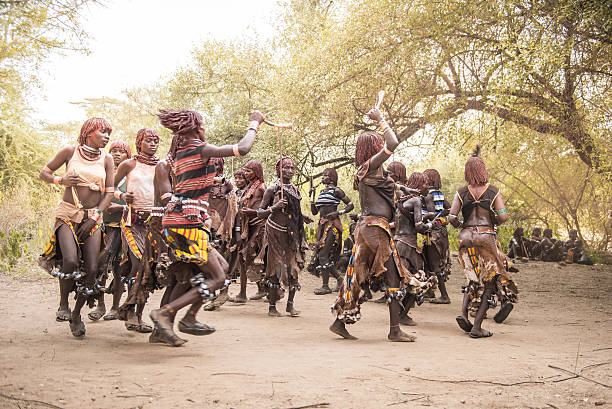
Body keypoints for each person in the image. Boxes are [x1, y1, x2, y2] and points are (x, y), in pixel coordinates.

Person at [148, 109, 264, 346]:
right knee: (218, 276)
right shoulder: (199, 149)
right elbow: (243, 149)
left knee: (219, 269)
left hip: (185, 221)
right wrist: (255, 122)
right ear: (196, 127)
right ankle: (166, 313)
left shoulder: (181, 152)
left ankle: (189, 317)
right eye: (202, 124)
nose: (204, 127)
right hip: (186, 223)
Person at [329, 107, 429, 342]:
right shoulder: (372, 165)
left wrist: (405, 188)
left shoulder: (368, 171)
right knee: (394, 277)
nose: (381, 147)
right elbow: (393, 141)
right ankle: (394, 330)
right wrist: (381, 120)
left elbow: (387, 187)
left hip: (367, 229)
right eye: (377, 144)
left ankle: (338, 322)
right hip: (376, 230)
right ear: (373, 149)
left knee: (359, 275)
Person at [38, 118, 114, 338]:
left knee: (92, 269)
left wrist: (95, 216)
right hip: (68, 215)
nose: (106, 136)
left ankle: (77, 313)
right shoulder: (70, 152)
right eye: (103, 132)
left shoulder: (107, 159)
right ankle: (63, 303)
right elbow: (44, 173)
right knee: (70, 260)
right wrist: (61, 181)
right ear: (89, 132)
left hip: (92, 219)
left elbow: (109, 192)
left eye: (109, 133)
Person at [449, 153, 517, 338]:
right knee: (489, 282)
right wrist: (492, 219)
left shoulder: (461, 193)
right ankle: (477, 327)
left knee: (472, 278)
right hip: (485, 238)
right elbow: (503, 216)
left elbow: (452, 217)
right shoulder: (493, 191)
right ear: (483, 170)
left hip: (465, 239)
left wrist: (462, 226)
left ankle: (463, 314)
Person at [114, 128, 160, 333]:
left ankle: (137, 313)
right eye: (149, 140)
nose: (153, 144)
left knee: (149, 268)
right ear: (139, 142)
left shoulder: (162, 166)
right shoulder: (128, 164)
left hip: (154, 224)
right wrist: (122, 197)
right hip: (132, 222)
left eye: (156, 141)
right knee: (140, 262)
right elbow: (109, 187)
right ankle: (130, 312)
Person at [255, 156, 313, 317]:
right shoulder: (272, 189)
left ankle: (290, 306)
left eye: (292, 168)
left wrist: (303, 216)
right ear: (278, 170)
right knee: (276, 267)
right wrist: (274, 207)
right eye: (286, 167)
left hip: (291, 234)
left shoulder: (294, 190)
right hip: (275, 232)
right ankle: (272, 307)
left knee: (292, 267)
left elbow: (294, 212)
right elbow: (260, 213)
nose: (289, 171)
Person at [91, 140, 131, 321]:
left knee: (119, 269)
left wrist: (121, 208)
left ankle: (115, 307)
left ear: (128, 156)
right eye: (114, 151)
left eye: (122, 151)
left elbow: (139, 201)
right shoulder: (104, 173)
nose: (117, 154)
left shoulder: (131, 176)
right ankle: (100, 305)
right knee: (100, 266)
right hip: (103, 225)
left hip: (123, 228)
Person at [393, 172, 438, 326]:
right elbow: (419, 227)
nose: (427, 186)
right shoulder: (416, 200)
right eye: (425, 183)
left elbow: (402, 222)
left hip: (397, 243)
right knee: (418, 280)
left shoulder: (400, 200)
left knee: (400, 281)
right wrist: (432, 225)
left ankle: (398, 314)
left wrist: (424, 218)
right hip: (409, 246)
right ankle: (402, 315)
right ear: (419, 185)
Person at [309, 168, 354, 295]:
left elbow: (351, 206)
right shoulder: (322, 192)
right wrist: (312, 197)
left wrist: (338, 212)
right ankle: (339, 279)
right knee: (322, 255)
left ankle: (325, 286)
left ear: (332, 178)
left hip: (332, 225)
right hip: (322, 225)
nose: (322, 178)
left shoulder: (337, 191)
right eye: (322, 175)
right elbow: (314, 212)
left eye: (325, 175)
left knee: (323, 254)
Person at [230, 160, 267, 303]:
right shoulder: (250, 188)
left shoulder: (262, 187)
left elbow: (269, 208)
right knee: (243, 259)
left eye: (248, 171)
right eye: (244, 171)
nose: (246, 174)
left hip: (259, 227)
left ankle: (270, 290)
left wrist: (253, 212)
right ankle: (245, 293)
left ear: (256, 172)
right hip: (248, 226)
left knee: (250, 258)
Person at [422, 168, 452, 304]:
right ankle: (430, 291)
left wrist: (426, 218)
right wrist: (442, 217)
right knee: (430, 262)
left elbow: (431, 213)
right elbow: (449, 209)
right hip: (442, 231)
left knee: (434, 264)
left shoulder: (428, 195)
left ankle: (444, 295)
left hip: (433, 233)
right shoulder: (439, 193)